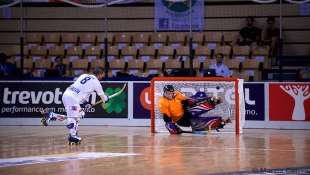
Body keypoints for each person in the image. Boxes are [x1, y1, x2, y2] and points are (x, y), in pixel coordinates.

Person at [40, 66, 109, 144]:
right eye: (102, 75)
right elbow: (104, 99)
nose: (102, 76)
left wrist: (86, 103)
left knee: (80, 114)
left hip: (66, 94)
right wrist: (107, 99)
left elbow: (82, 91)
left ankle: (73, 136)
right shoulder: (96, 83)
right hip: (73, 99)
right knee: (72, 123)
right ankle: (53, 115)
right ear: (100, 75)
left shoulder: (84, 75)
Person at [158, 85, 230, 134]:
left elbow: (186, 101)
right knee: (195, 122)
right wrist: (173, 127)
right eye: (168, 94)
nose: (170, 95)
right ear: (164, 94)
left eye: (171, 93)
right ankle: (219, 122)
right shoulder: (163, 102)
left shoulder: (177, 94)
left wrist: (197, 100)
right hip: (180, 120)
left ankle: (212, 101)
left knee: (193, 104)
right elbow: (167, 118)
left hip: (186, 111)